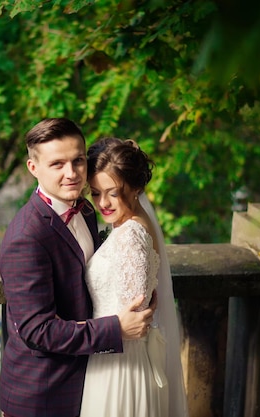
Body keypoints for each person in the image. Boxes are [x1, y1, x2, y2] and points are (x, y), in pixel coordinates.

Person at [0, 119, 156, 417]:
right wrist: (117, 328)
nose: (71, 174)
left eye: (78, 161)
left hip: (93, 380)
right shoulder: (26, 237)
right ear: (33, 168)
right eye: (57, 164)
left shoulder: (85, 209)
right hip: (43, 395)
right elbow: (37, 330)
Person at [79, 138, 189, 417]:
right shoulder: (132, 224)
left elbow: (135, 316)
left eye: (113, 193)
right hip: (113, 355)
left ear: (136, 187)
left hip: (120, 365)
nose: (103, 203)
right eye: (95, 193)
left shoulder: (130, 236)